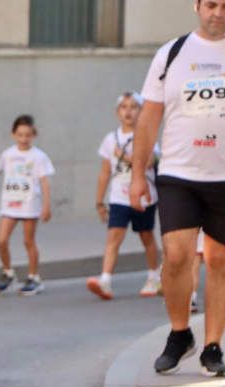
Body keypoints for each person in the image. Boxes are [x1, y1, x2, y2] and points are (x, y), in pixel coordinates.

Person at [130, 0, 225, 376]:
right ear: (197, 7)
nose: (218, 13)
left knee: (221, 261)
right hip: (180, 174)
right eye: (211, 5)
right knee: (177, 255)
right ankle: (180, 333)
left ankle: (213, 347)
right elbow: (150, 116)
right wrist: (138, 173)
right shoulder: (172, 53)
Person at [86, 92, 162, 300]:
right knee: (114, 236)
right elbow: (104, 172)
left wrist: (124, 156)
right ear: (117, 112)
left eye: (133, 107)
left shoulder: (147, 135)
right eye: (124, 107)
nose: (128, 112)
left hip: (143, 195)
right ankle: (106, 280)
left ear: (141, 111)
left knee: (146, 235)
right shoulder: (111, 139)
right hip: (119, 196)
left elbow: (148, 163)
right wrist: (99, 201)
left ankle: (154, 275)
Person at [0, 115, 55, 295]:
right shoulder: (8, 154)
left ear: (33, 135)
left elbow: (44, 182)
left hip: (29, 203)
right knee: (1, 240)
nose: (24, 139)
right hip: (10, 203)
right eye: (20, 135)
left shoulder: (38, 157)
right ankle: (8, 272)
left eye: (27, 135)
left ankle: (34, 277)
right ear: (13, 134)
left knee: (28, 241)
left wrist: (46, 205)